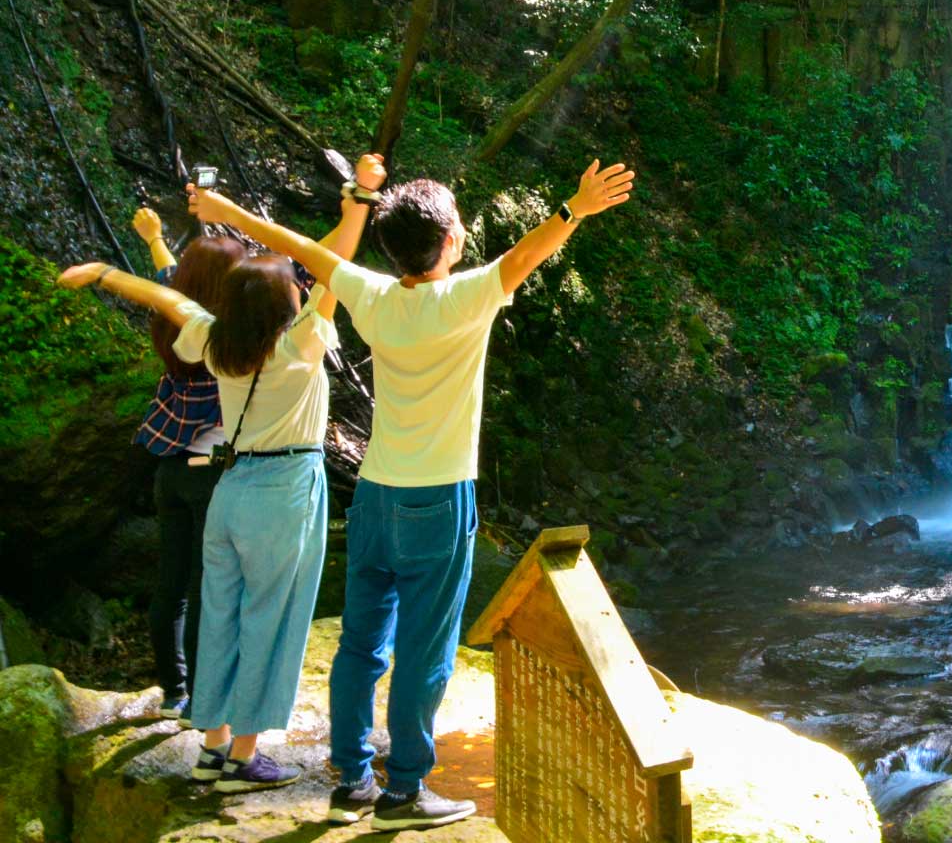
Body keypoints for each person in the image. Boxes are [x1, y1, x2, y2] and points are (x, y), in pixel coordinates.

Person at [190, 159, 634, 831]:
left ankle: (351, 778)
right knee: (424, 652)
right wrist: (574, 208)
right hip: (438, 499)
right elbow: (526, 253)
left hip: (373, 495)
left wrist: (225, 207)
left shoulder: (371, 296)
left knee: (362, 644)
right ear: (452, 242)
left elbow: (294, 244)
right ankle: (403, 795)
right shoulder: (466, 298)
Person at [58, 154, 387, 794]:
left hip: (231, 492)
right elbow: (332, 268)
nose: (302, 289)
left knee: (223, 617)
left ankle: (209, 747)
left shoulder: (216, 339)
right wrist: (358, 205)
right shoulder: (300, 344)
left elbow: (166, 295)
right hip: (286, 494)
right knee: (272, 620)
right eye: (295, 290)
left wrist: (103, 274)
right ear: (286, 307)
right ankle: (243, 758)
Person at [129, 209, 244, 723]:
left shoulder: (170, 316)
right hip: (210, 469)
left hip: (169, 467)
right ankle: (201, 699)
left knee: (168, 586)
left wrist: (154, 238)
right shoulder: (226, 335)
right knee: (206, 589)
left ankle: (174, 691)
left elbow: (165, 281)